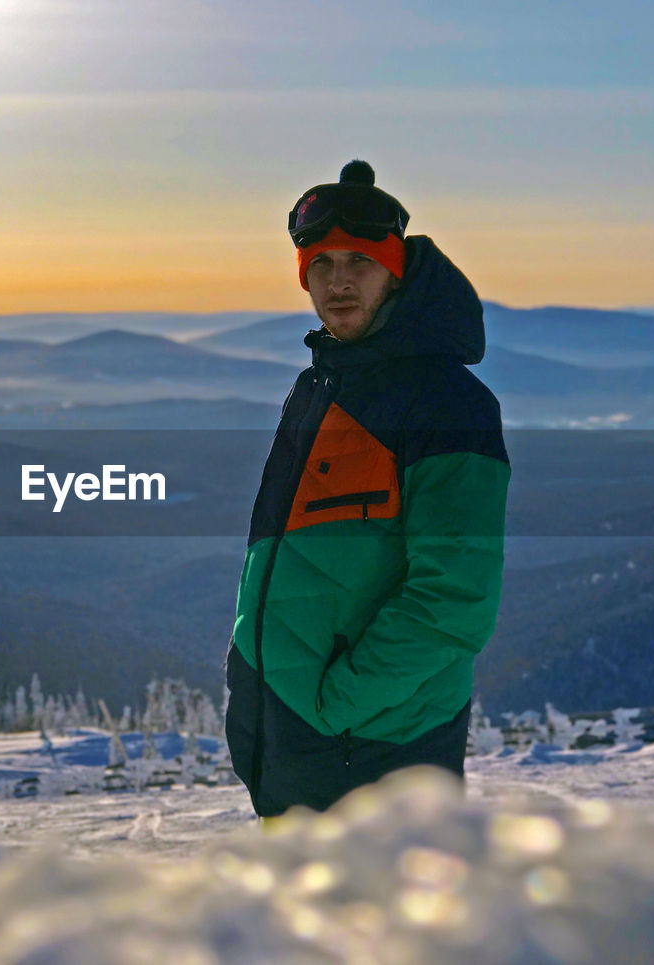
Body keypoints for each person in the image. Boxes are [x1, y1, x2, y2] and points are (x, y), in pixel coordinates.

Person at [224, 160, 510, 817]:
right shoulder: (320, 385)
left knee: (383, 920)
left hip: (380, 751)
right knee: (297, 919)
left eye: (359, 259)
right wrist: (253, 671)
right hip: (293, 744)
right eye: (321, 264)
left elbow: (454, 599)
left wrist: (334, 702)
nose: (338, 279)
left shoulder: (446, 404)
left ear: (395, 269)